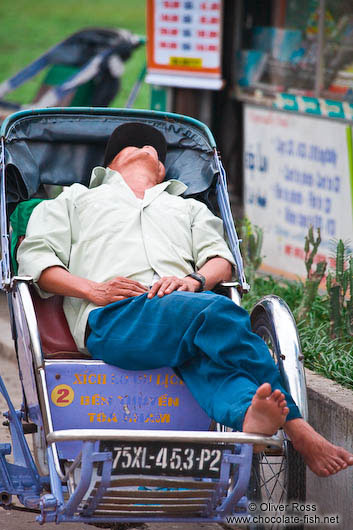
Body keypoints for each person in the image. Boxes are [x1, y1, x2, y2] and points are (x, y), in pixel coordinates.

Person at [17, 122, 353, 478]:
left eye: (157, 154)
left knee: (209, 357)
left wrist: (195, 280)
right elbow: (37, 262)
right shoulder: (73, 199)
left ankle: (247, 416)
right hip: (114, 317)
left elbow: (222, 261)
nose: (150, 153)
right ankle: (298, 428)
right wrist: (92, 290)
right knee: (216, 311)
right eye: (136, 149)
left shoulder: (189, 209)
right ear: (110, 164)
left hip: (184, 315)